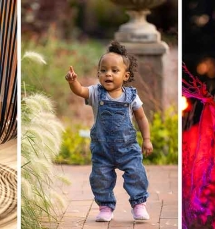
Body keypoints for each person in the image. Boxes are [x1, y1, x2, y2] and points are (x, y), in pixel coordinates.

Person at [65, 41, 153, 222]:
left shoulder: (131, 96)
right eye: (103, 70)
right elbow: (80, 91)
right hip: (102, 149)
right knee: (100, 178)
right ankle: (105, 207)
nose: (108, 74)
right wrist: (73, 82)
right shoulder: (96, 93)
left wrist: (147, 139)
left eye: (114, 70)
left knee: (136, 174)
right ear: (98, 74)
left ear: (125, 75)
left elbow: (142, 118)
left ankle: (139, 205)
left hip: (128, 149)